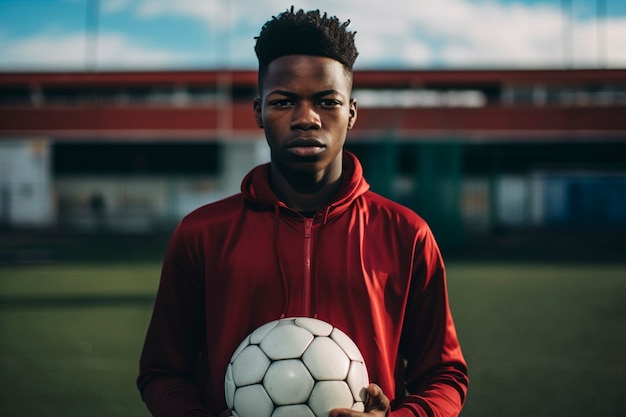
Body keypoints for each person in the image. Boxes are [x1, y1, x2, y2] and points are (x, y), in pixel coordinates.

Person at [138, 7, 468, 417]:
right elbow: (162, 372)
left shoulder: (407, 234)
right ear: (259, 111)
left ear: (351, 112)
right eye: (284, 102)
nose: (307, 118)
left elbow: (444, 375)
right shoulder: (203, 233)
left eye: (327, 102)